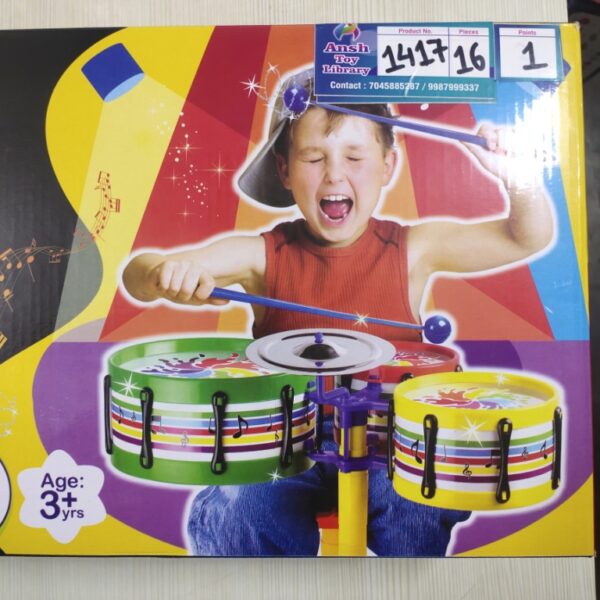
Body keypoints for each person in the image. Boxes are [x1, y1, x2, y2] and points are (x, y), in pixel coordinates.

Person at [122, 68, 554, 556]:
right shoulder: (262, 254)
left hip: (392, 442)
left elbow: (525, 237)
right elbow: (139, 272)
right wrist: (167, 273)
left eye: (354, 157)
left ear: (388, 165)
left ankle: (406, 588)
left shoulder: (414, 248)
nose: (333, 174)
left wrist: (520, 181)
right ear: (284, 170)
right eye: (313, 158)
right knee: (242, 505)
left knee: (417, 498)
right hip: (284, 443)